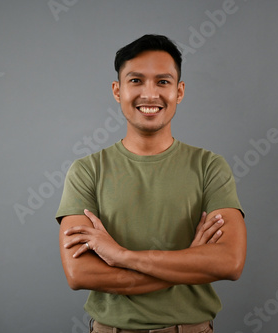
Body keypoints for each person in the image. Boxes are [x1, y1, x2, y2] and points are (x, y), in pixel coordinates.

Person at [56, 34, 246, 333]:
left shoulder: (209, 167)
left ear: (179, 91)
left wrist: (121, 257)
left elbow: (230, 262)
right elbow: (79, 273)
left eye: (163, 82)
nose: (150, 93)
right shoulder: (87, 171)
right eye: (136, 81)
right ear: (117, 91)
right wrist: (190, 263)